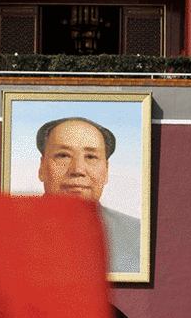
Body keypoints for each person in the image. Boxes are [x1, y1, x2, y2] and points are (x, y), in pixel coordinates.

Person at [36, 116, 141, 274]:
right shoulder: (7, 232)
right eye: (63, 155)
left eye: (91, 157)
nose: (77, 170)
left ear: (106, 171)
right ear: (42, 168)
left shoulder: (138, 235)